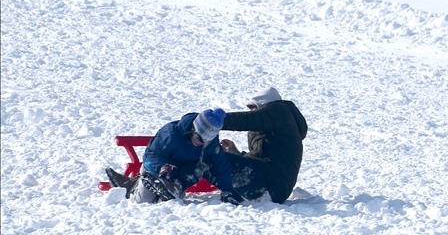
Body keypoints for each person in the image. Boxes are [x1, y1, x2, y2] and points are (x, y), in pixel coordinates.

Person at [106, 108, 241, 205]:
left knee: (174, 198)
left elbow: (220, 165)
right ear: (193, 129)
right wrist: (162, 167)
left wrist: (227, 191)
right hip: (156, 169)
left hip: (180, 176)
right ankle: (131, 187)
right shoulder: (171, 133)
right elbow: (153, 154)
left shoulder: (211, 143)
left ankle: (171, 188)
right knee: (142, 202)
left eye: (205, 140)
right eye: (198, 137)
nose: (200, 142)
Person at [218, 87, 308, 204]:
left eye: (253, 107)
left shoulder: (279, 111)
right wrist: (237, 154)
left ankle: (187, 181)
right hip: (272, 188)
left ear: (264, 106)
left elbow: (248, 119)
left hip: (268, 185)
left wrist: (213, 120)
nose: (252, 111)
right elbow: (263, 158)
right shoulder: (277, 132)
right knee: (219, 158)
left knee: (213, 157)